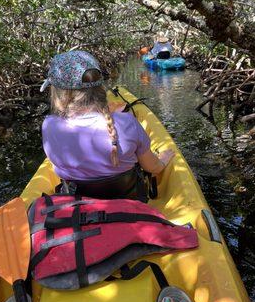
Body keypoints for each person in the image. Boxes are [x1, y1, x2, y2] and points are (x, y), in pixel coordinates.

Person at [40, 50, 175, 200]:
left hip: (76, 206)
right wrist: (162, 160)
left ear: (59, 94)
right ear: (99, 88)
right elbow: (152, 167)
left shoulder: (49, 125)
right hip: (129, 203)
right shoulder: (127, 122)